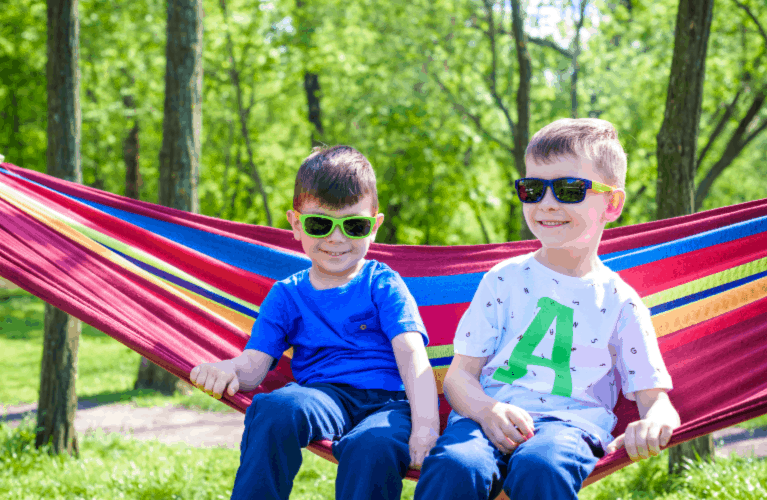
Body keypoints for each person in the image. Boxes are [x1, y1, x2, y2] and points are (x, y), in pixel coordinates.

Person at [414, 119, 680, 500]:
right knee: (457, 465)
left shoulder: (620, 302)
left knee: (542, 465)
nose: (547, 203)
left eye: (569, 189)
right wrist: (487, 410)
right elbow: (458, 379)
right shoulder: (502, 280)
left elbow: (657, 401)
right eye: (533, 189)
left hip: (569, 429)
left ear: (612, 203)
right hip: (484, 420)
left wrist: (653, 423)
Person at [190, 146, 439, 500]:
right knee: (275, 408)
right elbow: (254, 366)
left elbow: (413, 357)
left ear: (375, 226)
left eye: (354, 225)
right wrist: (227, 370)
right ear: (295, 224)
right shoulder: (286, 295)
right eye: (320, 224)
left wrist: (426, 426)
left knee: (373, 447)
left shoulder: (382, 284)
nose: (336, 239)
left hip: (388, 404)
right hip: (324, 397)